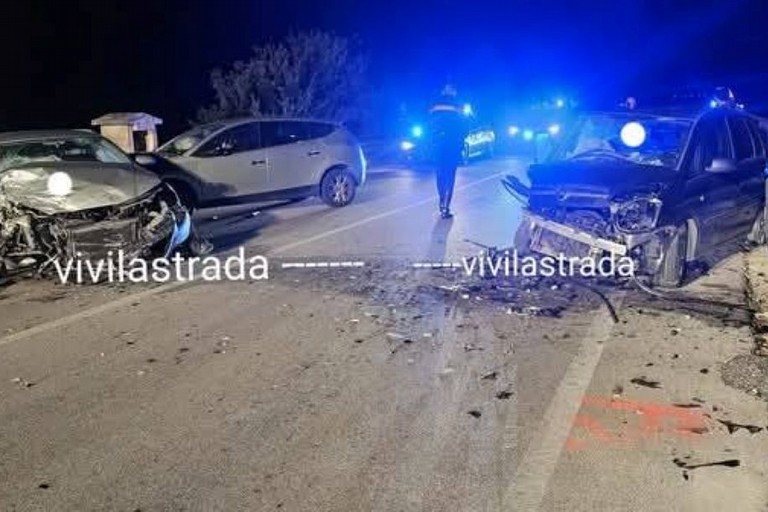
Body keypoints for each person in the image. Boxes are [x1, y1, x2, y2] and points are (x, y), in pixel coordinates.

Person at [427, 84, 468, 219]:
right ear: (454, 93)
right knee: (450, 174)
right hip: (452, 145)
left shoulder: (434, 105)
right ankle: (446, 206)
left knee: (439, 173)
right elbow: (464, 128)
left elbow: (427, 124)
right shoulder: (458, 106)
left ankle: (441, 200)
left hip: (437, 146)